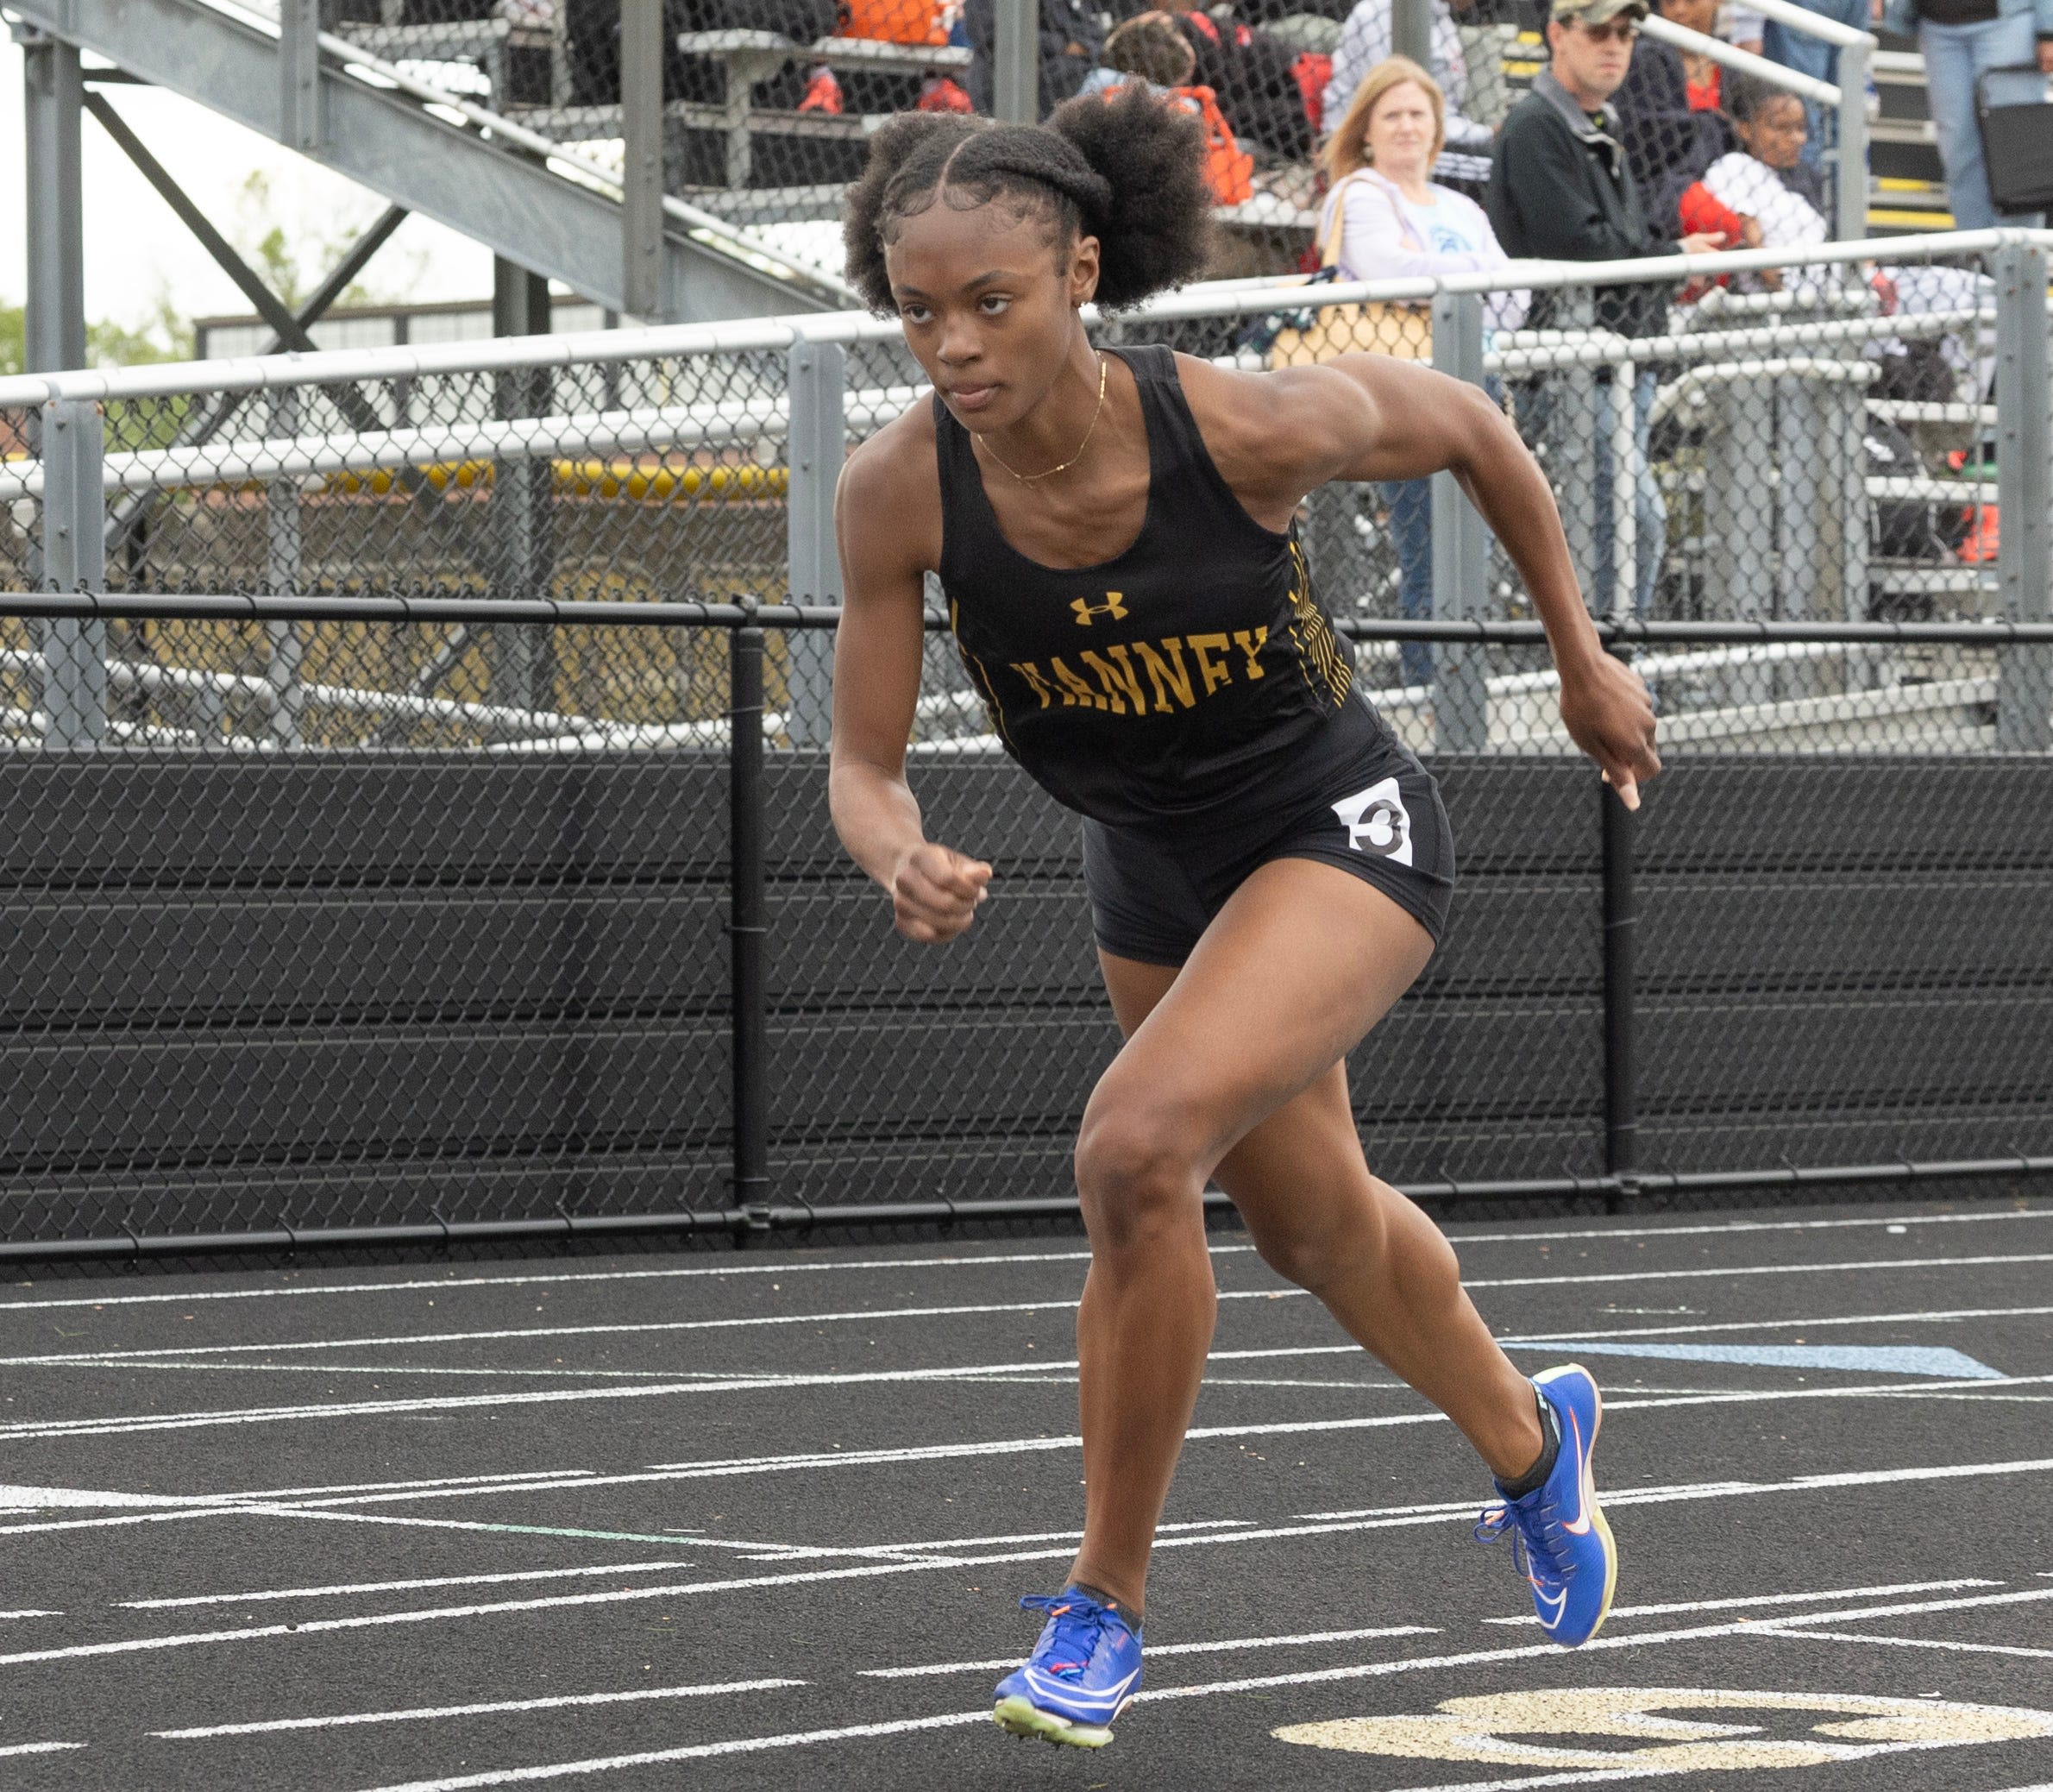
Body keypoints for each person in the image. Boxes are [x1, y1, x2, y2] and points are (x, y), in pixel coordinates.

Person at [830, 84, 1659, 1751]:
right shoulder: (898, 493)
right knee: (1313, 1226)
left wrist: (1581, 657)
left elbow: (1478, 433)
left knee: (1136, 1145)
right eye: (919, 312)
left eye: (992, 303)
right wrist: (891, 846)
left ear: (1080, 274)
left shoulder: (1244, 426)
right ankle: (1528, 1436)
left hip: (1335, 825)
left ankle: (1101, 1609)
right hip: (1151, 865)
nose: (955, 346)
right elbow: (858, 761)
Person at [1486, 0, 1723, 615]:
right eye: (1598, 32)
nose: (1615, 46)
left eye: (1624, 33)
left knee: (1623, 521)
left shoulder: (1602, 121)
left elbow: (1615, 240)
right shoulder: (1538, 125)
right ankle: (1608, 660)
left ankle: (1609, 657)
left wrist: (1662, 260)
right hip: (1568, 368)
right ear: (1556, 36)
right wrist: (1670, 255)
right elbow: (1580, 248)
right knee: (1632, 520)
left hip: (1616, 361)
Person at [1318, 56, 1526, 687]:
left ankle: (1464, 680)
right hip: (1401, 391)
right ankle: (1428, 684)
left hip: (1476, 380)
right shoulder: (1357, 194)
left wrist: (1437, 278)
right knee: (1428, 543)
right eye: (1393, 115)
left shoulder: (1461, 206)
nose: (1408, 127)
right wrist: (1466, 283)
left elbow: (1517, 296)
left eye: (1419, 115)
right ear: (1366, 131)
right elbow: (1388, 272)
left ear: (1437, 128)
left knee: (1482, 539)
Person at [1877, 0, 2053, 230]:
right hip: (1938, 26)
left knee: (2016, 151)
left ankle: (2020, 257)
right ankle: (1975, 256)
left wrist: (2048, 27)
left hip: (2009, 22)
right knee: (1959, 153)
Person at [1615, 0, 1739, 229]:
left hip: (1735, 184)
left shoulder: (1735, 64)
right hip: (1667, 193)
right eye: (1670, 2)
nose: (1680, 10)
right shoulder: (1646, 60)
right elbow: (1656, 143)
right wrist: (1719, 125)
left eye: (1690, 1)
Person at [1322, 0, 1497, 149]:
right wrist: (1485, 135)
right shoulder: (1386, 13)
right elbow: (1397, 111)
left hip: (1427, 139)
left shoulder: (1440, 17)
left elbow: (1440, 112)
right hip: (1364, 147)